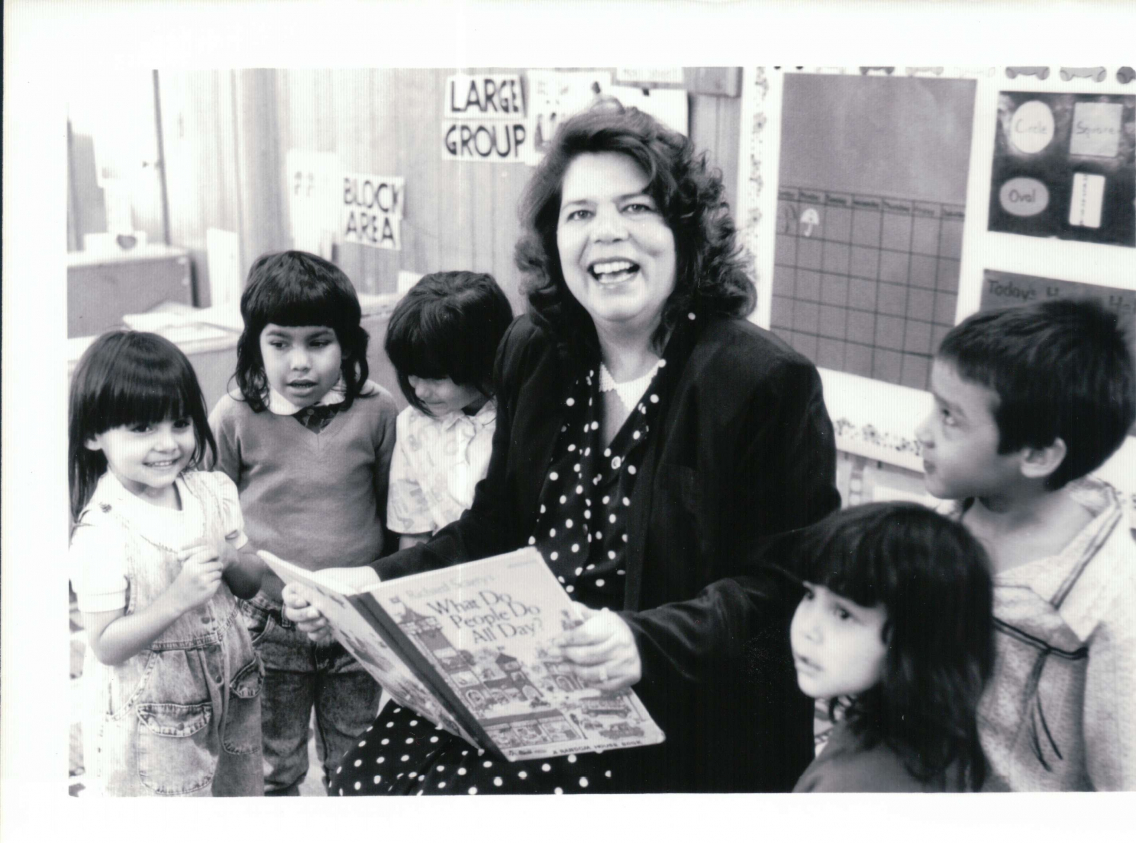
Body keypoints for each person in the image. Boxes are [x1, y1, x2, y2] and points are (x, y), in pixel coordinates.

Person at [286, 104, 841, 794]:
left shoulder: (763, 380)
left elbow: (781, 582)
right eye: (579, 214)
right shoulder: (536, 349)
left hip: (672, 717)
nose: (606, 233)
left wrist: (643, 639)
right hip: (525, 692)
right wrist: (370, 585)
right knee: (368, 783)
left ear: (685, 231)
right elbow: (493, 527)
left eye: (636, 207)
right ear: (554, 239)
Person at [915, 298, 1136, 791]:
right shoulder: (939, 529)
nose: (923, 432)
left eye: (950, 417)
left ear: (1037, 454)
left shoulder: (1110, 605)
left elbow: (1126, 789)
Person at [209, 251, 397, 795]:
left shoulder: (378, 410)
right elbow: (216, 521)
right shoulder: (235, 415)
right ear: (254, 345)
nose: (300, 363)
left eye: (318, 343)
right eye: (279, 343)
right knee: (275, 766)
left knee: (358, 760)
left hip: (354, 620)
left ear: (347, 345)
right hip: (268, 623)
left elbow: (389, 509)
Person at [68, 331, 265, 796]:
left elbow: (252, 581)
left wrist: (232, 557)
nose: (167, 444)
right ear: (95, 435)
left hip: (233, 696)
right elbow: (106, 646)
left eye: (179, 423)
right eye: (141, 429)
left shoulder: (213, 491)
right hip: (155, 721)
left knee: (238, 805)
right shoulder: (102, 531)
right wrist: (175, 599)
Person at [782, 503, 994, 792]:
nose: (808, 629)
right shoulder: (921, 735)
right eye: (809, 595)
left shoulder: (858, 787)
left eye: (843, 613)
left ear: (917, 636)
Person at [383, 271, 513, 550]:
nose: (419, 391)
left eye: (436, 377)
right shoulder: (412, 425)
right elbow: (413, 529)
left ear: (485, 358)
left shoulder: (518, 419)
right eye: (411, 374)